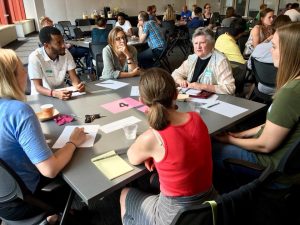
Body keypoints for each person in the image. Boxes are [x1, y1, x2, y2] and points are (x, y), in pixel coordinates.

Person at [120, 67, 216, 225]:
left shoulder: (151, 138)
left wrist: (151, 152)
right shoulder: (196, 119)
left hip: (175, 216)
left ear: (141, 101)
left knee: (125, 194)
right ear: (176, 94)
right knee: (153, 179)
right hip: (209, 203)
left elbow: (132, 157)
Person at [0, 48, 86, 223]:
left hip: (4, 199)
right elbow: (50, 170)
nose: (25, 71)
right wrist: (73, 142)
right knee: (76, 176)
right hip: (25, 202)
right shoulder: (18, 111)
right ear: (11, 78)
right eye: (20, 68)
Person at [213, 22, 300, 188]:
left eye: (273, 46)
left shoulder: (291, 93)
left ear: (289, 52)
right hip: (288, 166)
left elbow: (265, 145)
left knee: (209, 149)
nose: (269, 50)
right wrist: (241, 134)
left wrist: (231, 140)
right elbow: (275, 125)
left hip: (272, 170)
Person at [172, 28, 235, 95]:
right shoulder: (192, 58)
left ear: (212, 44)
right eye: (196, 43)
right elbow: (175, 74)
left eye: (202, 43)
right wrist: (181, 81)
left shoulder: (220, 61)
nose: (198, 47)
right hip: (192, 97)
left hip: (212, 100)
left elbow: (230, 88)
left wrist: (202, 86)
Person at [28, 26, 85, 100]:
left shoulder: (66, 53)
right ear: (46, 45)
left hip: (61, 93)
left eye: (63, 41)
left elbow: (74, 78)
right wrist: (54, 93)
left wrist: (78, 86)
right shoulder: (35, 57)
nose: (63, 45)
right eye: (58, 43)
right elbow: (38, 87)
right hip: (42, 96)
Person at [247, 15, 291, 95]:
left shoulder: (259, 48)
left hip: (261, 87)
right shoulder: (290, 52)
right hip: (282, 91)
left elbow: (249, 66)